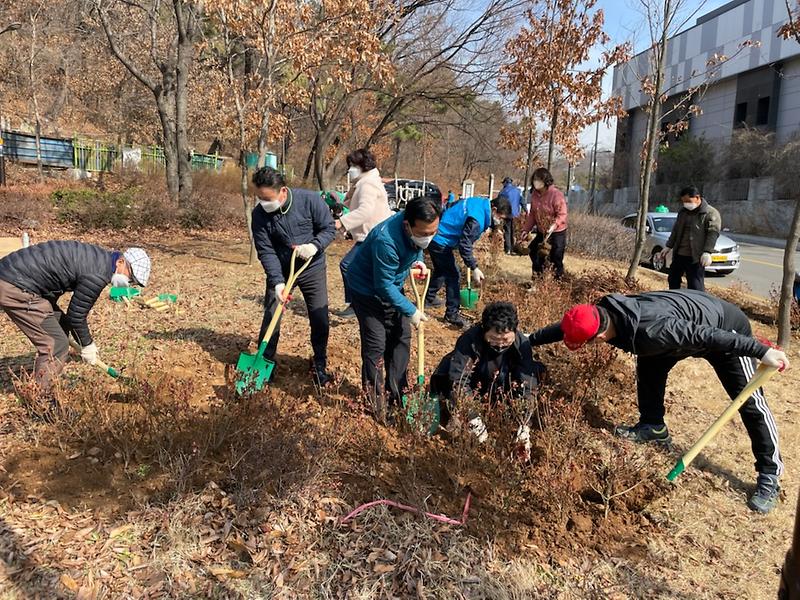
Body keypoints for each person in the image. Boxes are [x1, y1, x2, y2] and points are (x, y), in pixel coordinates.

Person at [528, 289, 789, 514]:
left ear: (597, 337)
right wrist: (530, 340)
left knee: (750, 402)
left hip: (722, 328)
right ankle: (653, 427)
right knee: (650, 363)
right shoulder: (603, 313)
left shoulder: (656, 331)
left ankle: (769, 473)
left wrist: (762, 351)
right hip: (681, 326)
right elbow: (567, 326)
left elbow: (707, 336)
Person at [0, 241, 150, 406]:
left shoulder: (100, 259)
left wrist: (80, 339)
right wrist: (87, 346)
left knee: (61, 326)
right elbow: (76, 316)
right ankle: (42, 403)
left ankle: (47, 377)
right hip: (15, 285)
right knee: (56, 343)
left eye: (133, 282)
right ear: (121, 262)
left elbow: (54, 278)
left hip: (19, 278)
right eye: (131, 277)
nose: (129, 283)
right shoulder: (97, 274)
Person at [347, 196, 441, 421]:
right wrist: (411, 310)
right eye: (424, 234)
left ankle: (398, 395)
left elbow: (413, 248)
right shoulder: (385, 240)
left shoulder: (414, 227)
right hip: (366, 290)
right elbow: (383, 286)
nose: (428, 238)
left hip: (392, 286)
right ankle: (375, 402)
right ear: (408, 225)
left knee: (401, 338)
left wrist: (417, 260)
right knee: (376, 345)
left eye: (433, 232)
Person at [251, 166, 336, 385]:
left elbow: (328, 228)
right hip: (281, 269)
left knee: (319, 318)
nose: (263, 203)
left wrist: (315, 246)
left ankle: (319, 363)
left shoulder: (309, 200)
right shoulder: (259, 215)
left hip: (311, 268)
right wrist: (277, 283)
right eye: (260, 198)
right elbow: (265, 250)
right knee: (272, 315)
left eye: (268, 198)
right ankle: (265, 362)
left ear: (283, 191)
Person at [430, 301, 544, 455]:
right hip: (473, 387)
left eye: (506, 340)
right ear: (484, 331)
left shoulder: (521, 344)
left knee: (537, 371)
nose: (500, 345)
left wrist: (524, 424)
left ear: (514, 332)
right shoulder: (469, 341)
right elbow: (458, 381)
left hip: (500, 387)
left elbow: (527, 386)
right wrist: (472, 416)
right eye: (494, 339)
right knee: (457, 431)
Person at [425, 196, 511, 328]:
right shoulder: (477, 219)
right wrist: (474, 267)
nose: (500, 220)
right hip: (441, 239)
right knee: (454, 275)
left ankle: (429, 298)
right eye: (501, 217)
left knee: (443, 270)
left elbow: (451, 206)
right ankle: (451, 314)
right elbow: (465, 244)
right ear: (494, 209)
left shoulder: (479, 202)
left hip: (437, 233)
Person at [335, 148, 392, 319]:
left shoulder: (368, 184)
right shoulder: (365, 182)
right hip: (371, 235)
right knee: (368, 272)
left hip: (373, 236)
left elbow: (365, 211)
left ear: (362, 166)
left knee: (348, 266)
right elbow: (348, 201)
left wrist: (341, 222)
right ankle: (364, 303)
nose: (350, 169)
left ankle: (357, 304)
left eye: (352, 165)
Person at [657, 186, 721, 292]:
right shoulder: (683, 212)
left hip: (695, 257)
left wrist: (707, 252)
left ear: (697, 197)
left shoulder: (710, 213)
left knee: (695, 286)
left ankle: (698, 306)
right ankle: (675, 302)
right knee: (673, 280)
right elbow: (676, 230)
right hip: (679, 254)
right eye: (683, 202)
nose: (686, 204)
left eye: (688, 201)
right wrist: (669, 246)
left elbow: (713, 233)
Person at [520, 167, 568, 280]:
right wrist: (525, 230)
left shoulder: (556, 195)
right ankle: (538, 278)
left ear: (545, 181)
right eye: (534, 179)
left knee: (556, 258)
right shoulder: (535, 195)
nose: (536, 182)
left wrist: (554, 224)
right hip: (542, 231)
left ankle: (558, 283)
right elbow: (532, 214)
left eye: (539, 180)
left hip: (557, 232)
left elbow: (562, 214)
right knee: (534, 251)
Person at [499, 177, 523, 254]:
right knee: (513, 232)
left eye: (503, 183)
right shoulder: (517, 191)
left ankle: (508, 249)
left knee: (507, 231)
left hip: (507, 214)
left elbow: (500, 203)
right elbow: (522, 201)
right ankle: (513, 248)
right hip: (516, 214)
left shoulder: (503, 192)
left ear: (505, 183)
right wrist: (526, 210)